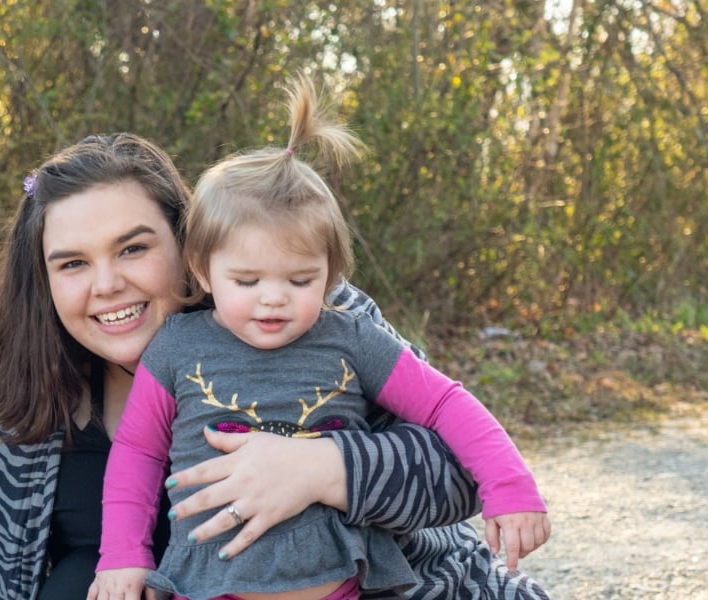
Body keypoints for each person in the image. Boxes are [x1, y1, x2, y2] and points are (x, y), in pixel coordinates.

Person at [0, 131, 549, 599]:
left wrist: (325, 468)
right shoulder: (0, 389)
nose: (107, 285)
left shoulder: (306, 312)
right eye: (72, 264)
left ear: (190, 249)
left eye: (133, 249)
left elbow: (459, 462)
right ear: (43, 280)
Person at [88, 77, 550, 600]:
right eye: (247, 281)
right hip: (206, 586)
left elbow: (445, 403)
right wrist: (122, 554)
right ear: (201, 267)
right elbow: (138, 453)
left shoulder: (349, 337)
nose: (273, 299)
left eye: (300, 279)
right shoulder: (177, 348)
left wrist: (509, 487)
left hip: (341, 587)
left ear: (330, 272)